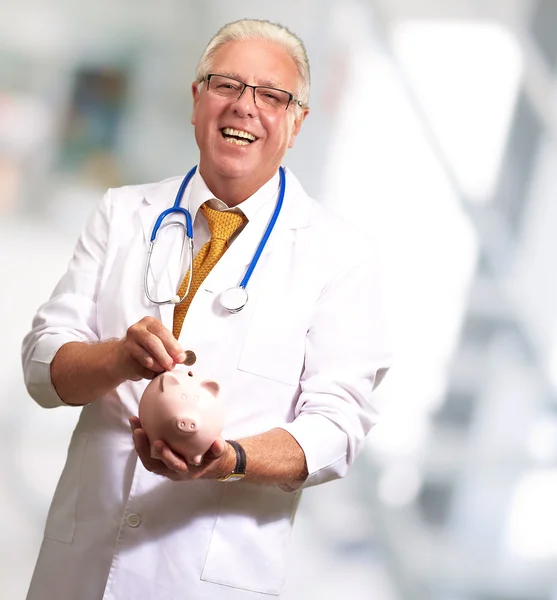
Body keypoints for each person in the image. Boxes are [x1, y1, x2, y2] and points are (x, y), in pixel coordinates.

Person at [21, 18, 392, 600]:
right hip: (82, 565)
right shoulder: (123, 214)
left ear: (296, 123)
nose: (246, 107)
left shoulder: (340, 256)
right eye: (226, 85)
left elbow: (338, 428)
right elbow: (43, 368)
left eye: (273, 96)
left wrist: (229, 460)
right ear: (197, 100)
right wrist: (118, 358)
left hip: (209, 578)